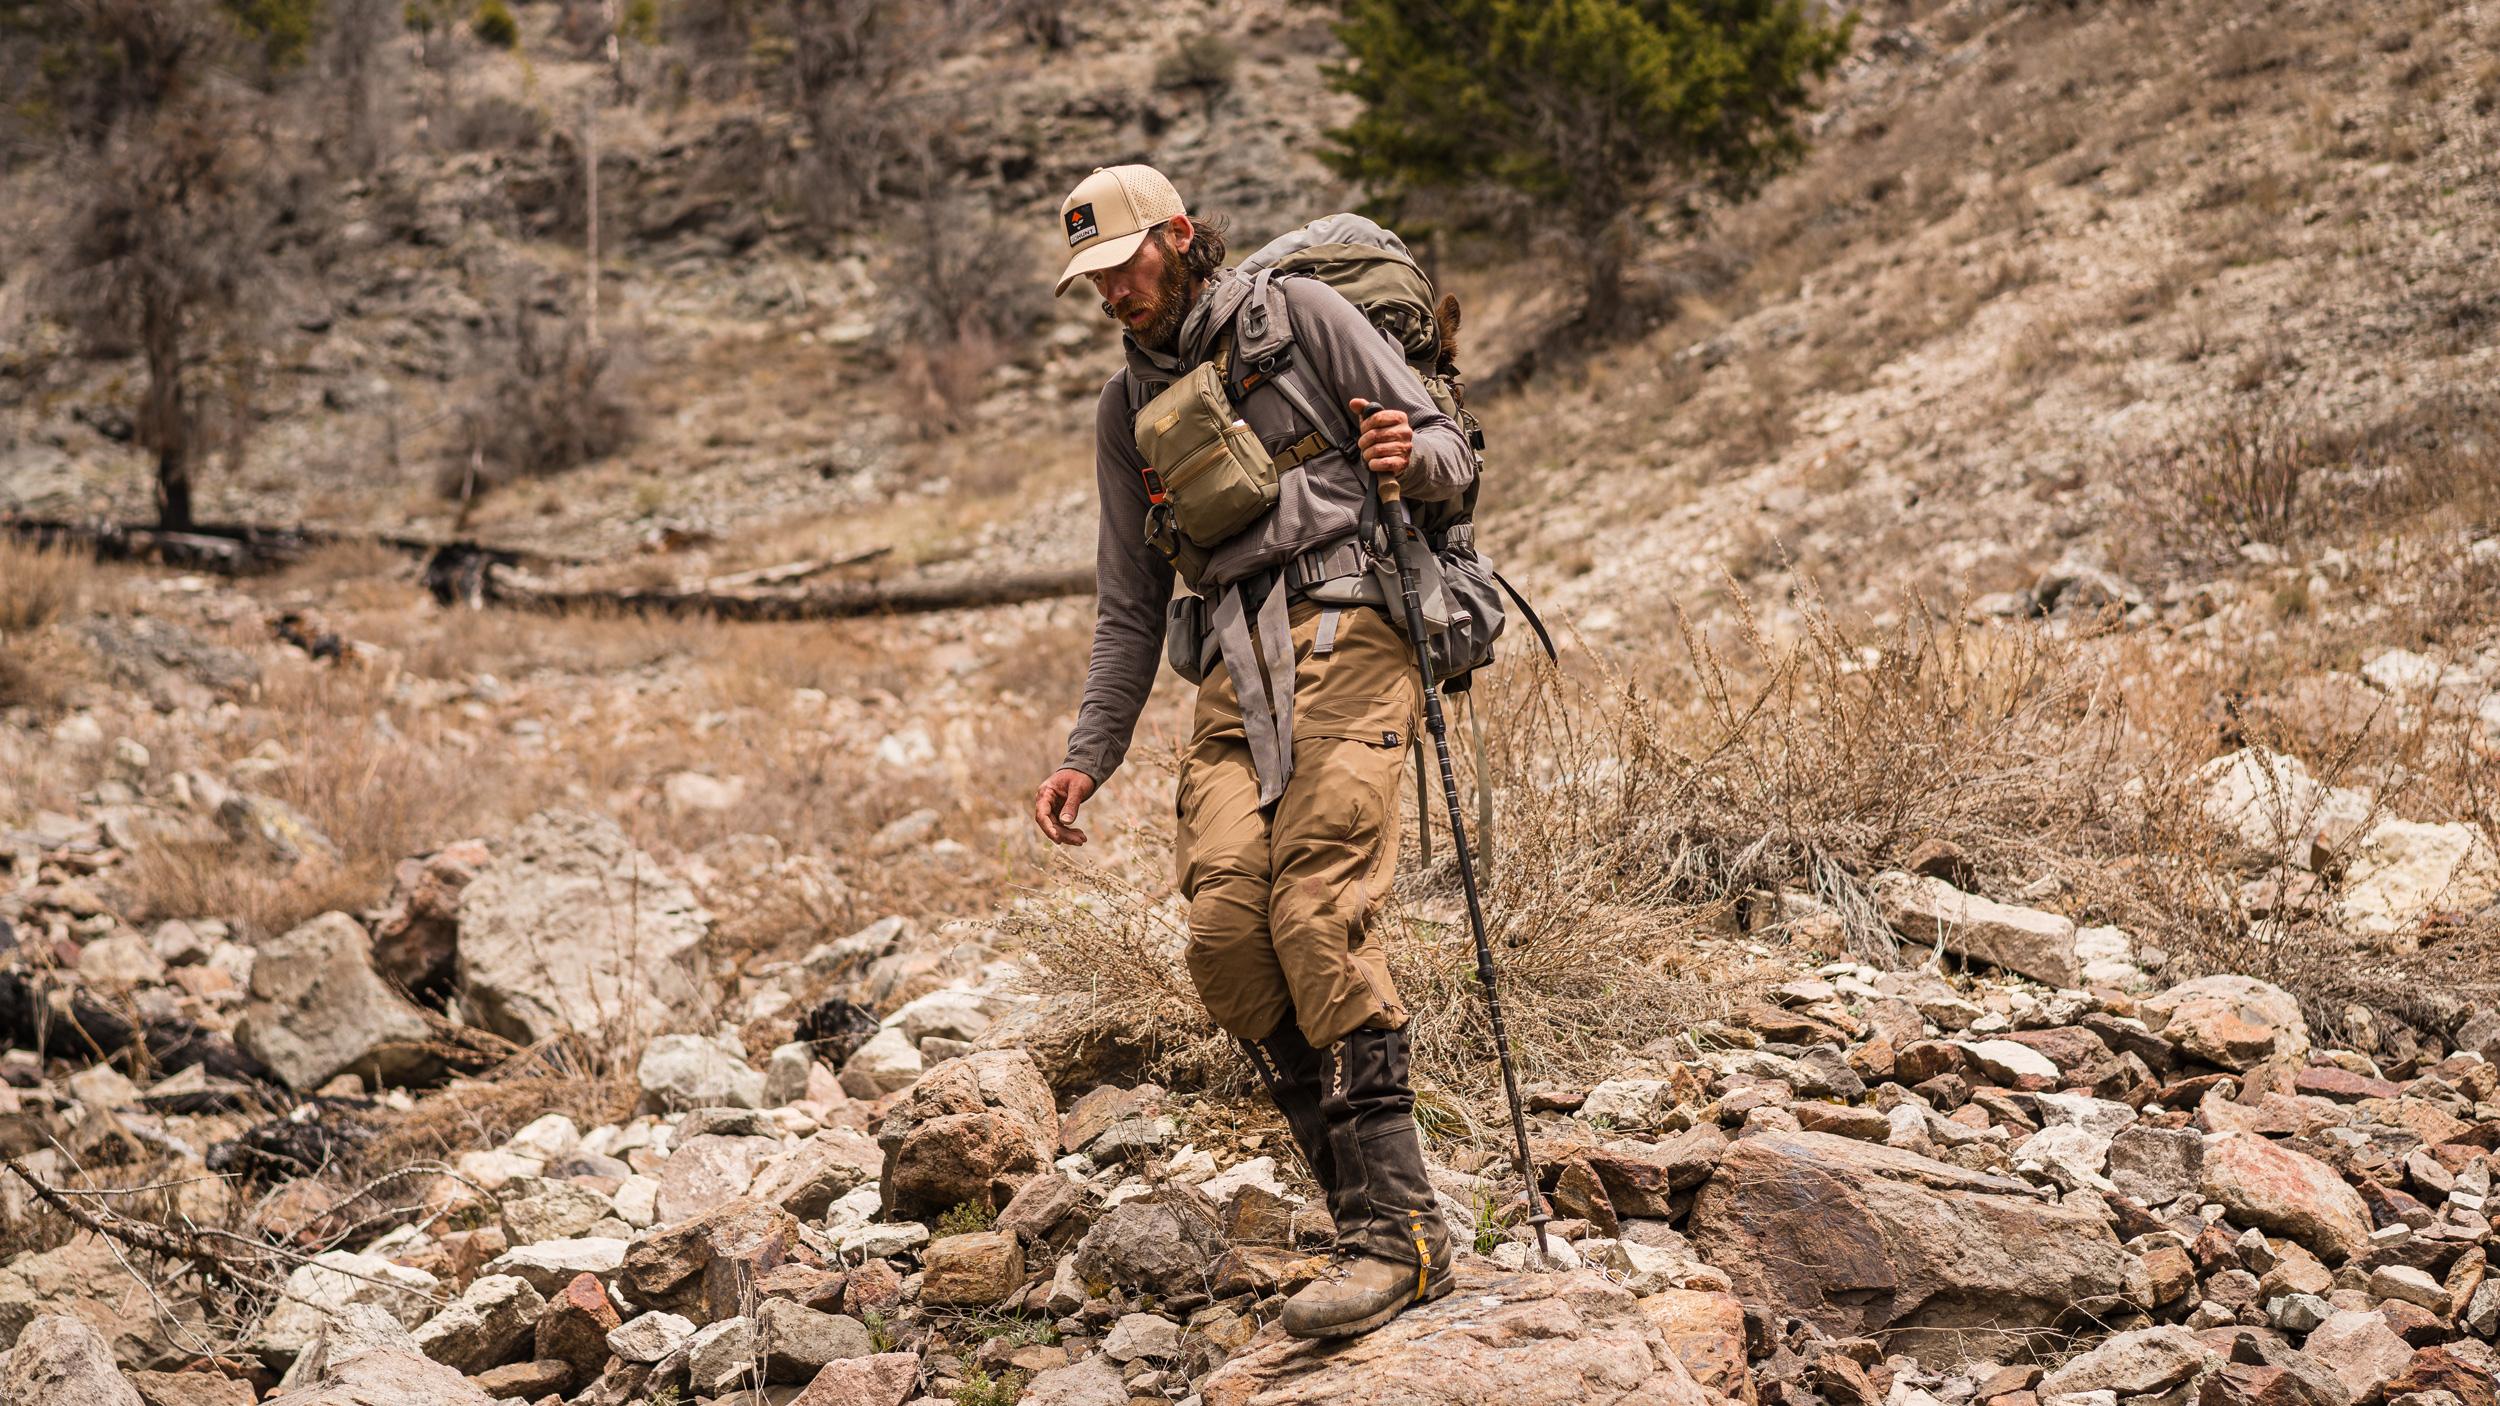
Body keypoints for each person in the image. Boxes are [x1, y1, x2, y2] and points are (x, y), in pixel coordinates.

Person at [1030, 164, 1476, 1338]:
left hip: (1355, 620)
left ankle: (1400, 1236)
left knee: (1315, 911)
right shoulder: (1122, 409)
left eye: (1125, 265)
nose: (1113, 294)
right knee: (1228, 939)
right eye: (1094, 281)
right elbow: (1129, 607)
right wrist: (1090, 751)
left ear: (1177, 236)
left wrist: (1402, 457)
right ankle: (1362, 1217)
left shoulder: (1301, 315)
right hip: (1231, 664)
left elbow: (1449, 452)